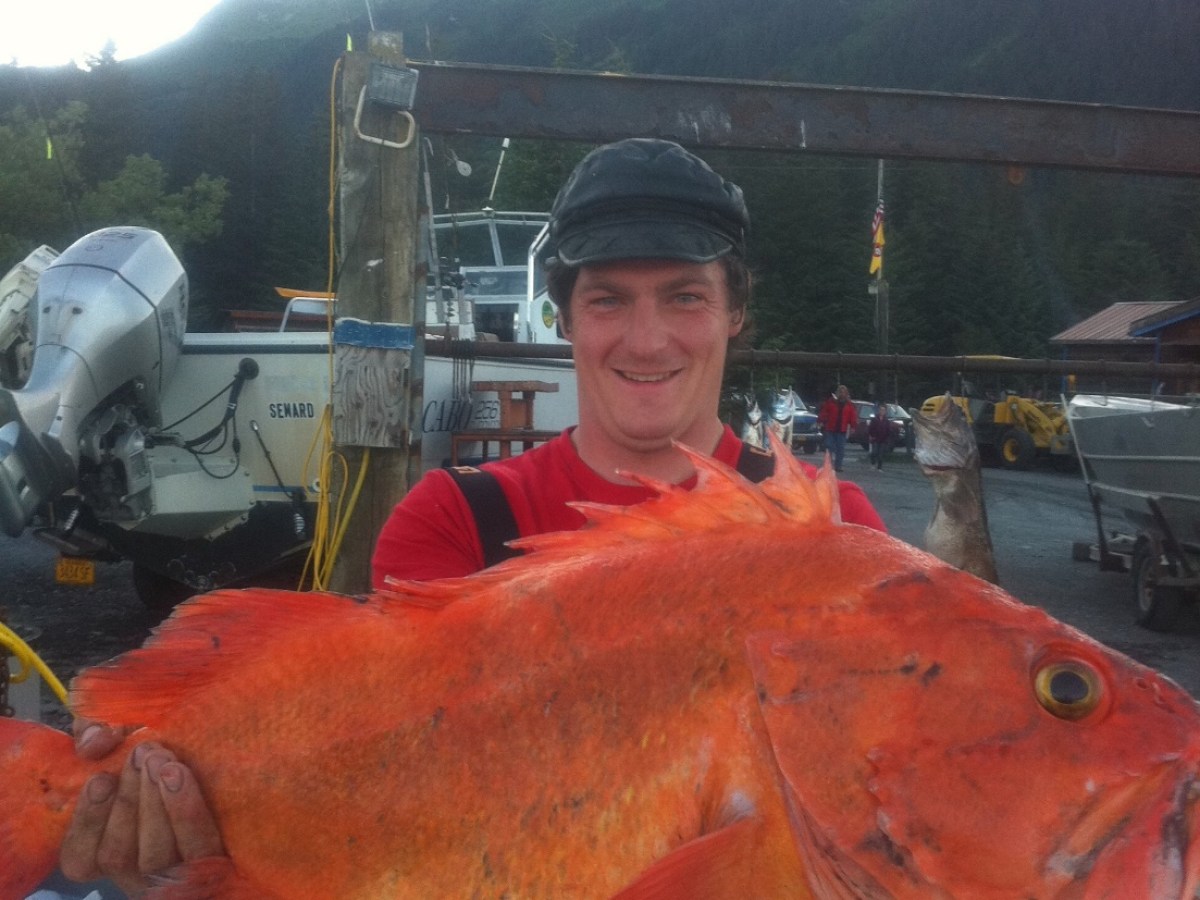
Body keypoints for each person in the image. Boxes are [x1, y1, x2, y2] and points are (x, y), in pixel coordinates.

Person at [57, 138, 885, 895]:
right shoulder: (456, 519)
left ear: (736, 312)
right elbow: (393, 806)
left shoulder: (831, 530)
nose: (647, 337)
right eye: (607, 299)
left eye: (684, 296)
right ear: (564, 316)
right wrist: (180, 843)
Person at [818, 384, 858, 472]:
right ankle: (827, 465)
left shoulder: (849, 405)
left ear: (846, 394)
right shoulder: (831, 402)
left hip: (842, 430)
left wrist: (853, 426)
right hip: (830, 429)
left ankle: (838, 466)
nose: (842, 394)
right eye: (840, 392)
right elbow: (824, 412)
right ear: (837, 393)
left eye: (844, 392)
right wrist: (820, 421)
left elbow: (853, 417)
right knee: (829, 447)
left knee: (840, 450)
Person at [867, 401, 891, 470]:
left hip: (883, 439)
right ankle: (873, 463)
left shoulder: (886, 420)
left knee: (881, 454)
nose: (882, 411)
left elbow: (888, 430)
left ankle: (879, 467)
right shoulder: (874, 419)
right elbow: (870, 428)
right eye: (881, 410)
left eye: (883, 410)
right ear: (878, 410)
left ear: (885, 411)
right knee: (874, 452)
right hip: (875, 438)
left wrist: (887, 439)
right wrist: (871, 436)